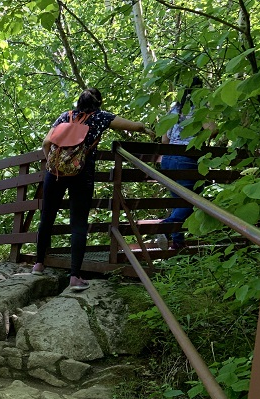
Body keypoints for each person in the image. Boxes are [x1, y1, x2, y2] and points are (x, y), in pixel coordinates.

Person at [32, 88, 155, 291]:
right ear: (98, 103)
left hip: (54, 174)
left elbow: (46, 143)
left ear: (79, 102)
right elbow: (131, 126)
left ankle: (38, 265)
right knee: (78, 224)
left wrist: (53, 163)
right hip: (81, 174)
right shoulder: (100, 117)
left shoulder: (64, 117)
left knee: (47, 217)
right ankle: (74, 276)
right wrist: (145, 129)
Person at [155, 78, 216, 251]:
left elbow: (164, 139)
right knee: (192, 201)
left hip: (168, 159)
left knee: (178, 201)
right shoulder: (201, 106)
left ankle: (178, 242)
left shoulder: (174, 108)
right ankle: (166, 227)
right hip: (187, 157)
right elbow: (212, 130)